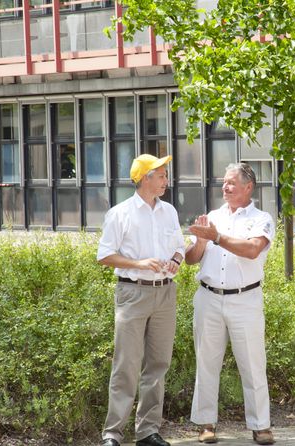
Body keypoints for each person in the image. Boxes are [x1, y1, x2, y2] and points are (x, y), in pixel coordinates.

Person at [97, 154, 185, 446]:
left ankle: (148, 431)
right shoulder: (120, 213)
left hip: (165, 293)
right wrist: (139, 264)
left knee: (158, 364)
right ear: (145, 177)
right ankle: (113, 434)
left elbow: (180, 247)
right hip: (132, 293)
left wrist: (175, 260)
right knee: (126, 365)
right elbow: (105, 255)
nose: (166, 180)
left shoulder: (169, 211)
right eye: (161, 175)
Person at [185, 162, 276, 445]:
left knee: (252, 363)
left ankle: (261, 426)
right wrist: (200, 241)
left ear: (248, 187)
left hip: (245, 299)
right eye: (224, 182)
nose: (225, 187)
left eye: (231, 182)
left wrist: (217, 237)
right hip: (208, 297)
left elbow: (251, 250)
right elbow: (191, 258)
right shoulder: (212, 216)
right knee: (207, 363)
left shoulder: (262, 218)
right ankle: (205, 423)